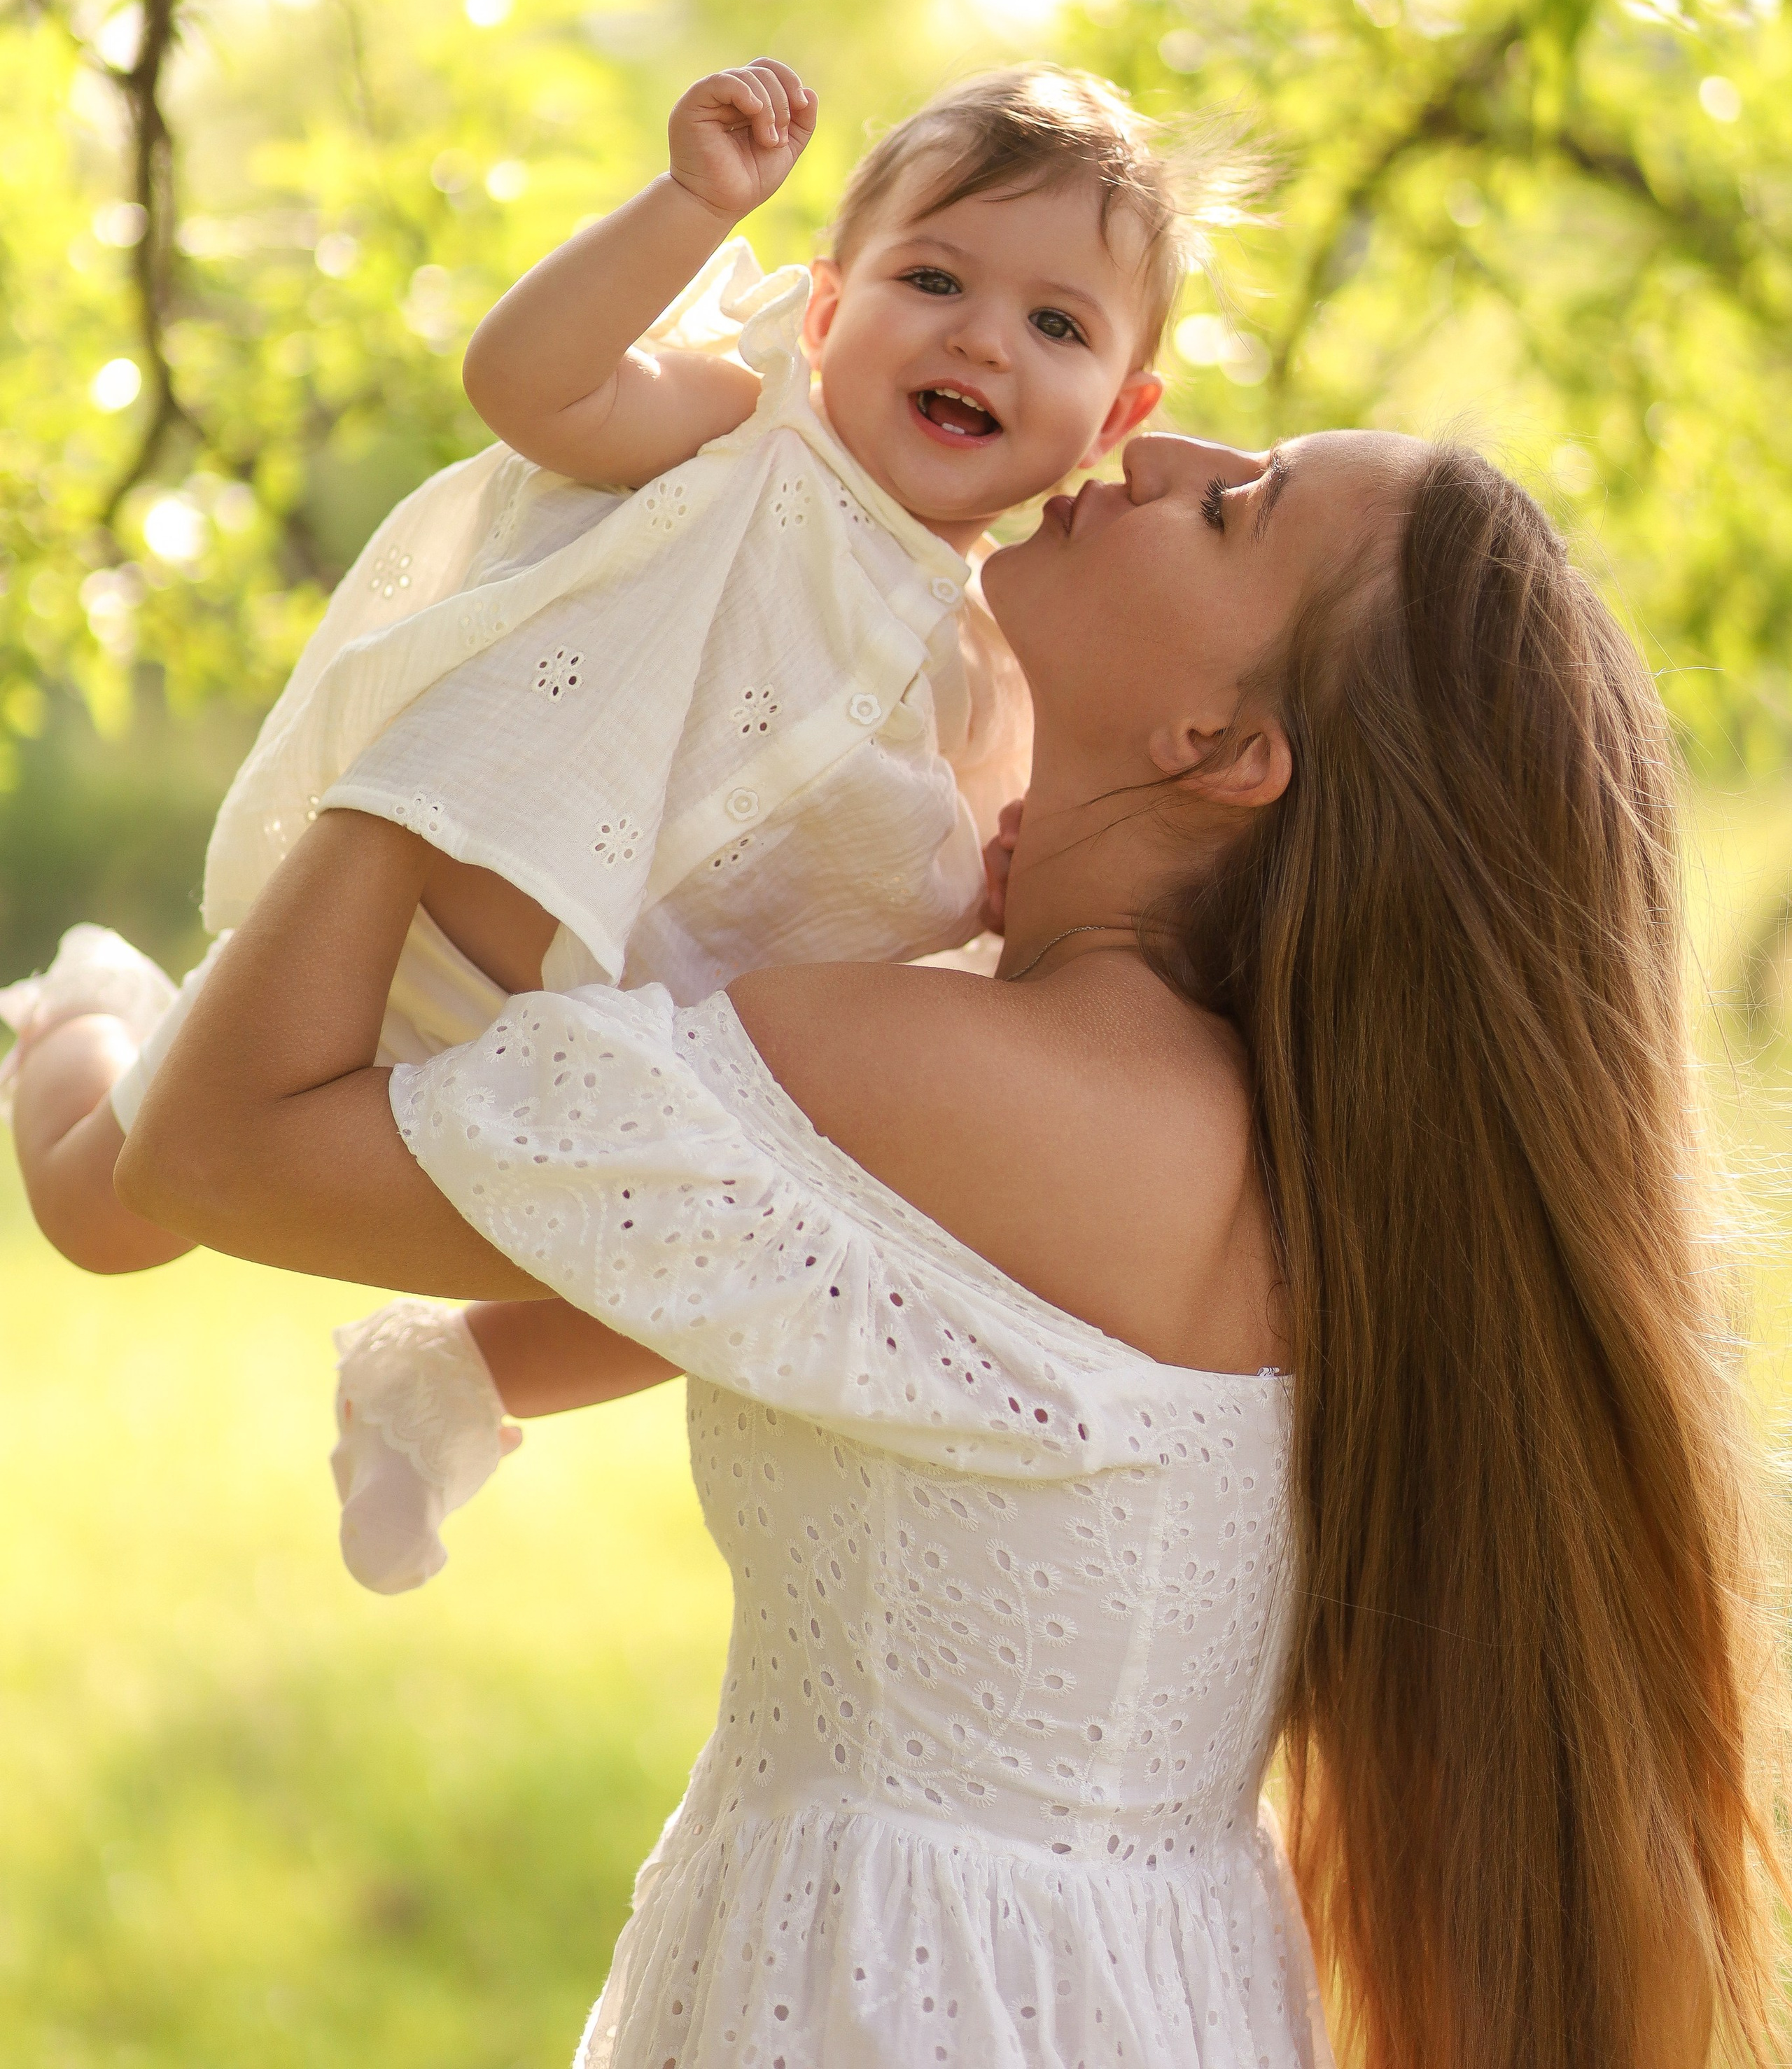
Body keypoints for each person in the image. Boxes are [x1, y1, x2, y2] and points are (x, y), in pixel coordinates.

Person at [22, 426, 1782, 2067]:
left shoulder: (959, 1081)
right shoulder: (1239, 1128)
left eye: (1234, 506)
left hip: (889, 1987)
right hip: (1126, 1984)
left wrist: (493, 697)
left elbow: (216, 1157)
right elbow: (739, 1277)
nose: (1157, 448)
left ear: (1228, 753)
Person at [6, 56, 1256, 1590]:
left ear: (1117, 414)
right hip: (413, 946)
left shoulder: (999, 665)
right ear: (824, 310)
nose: (981, 337)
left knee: (723, 1258)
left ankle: (441, 1391)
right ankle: (80, 1013)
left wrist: (995, 888)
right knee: (101, 1214)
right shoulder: (743, 429)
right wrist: (683, 208)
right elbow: (530, 384)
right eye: (931, 279)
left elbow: (940, 906)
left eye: (1055, 325)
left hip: (614, 1059)